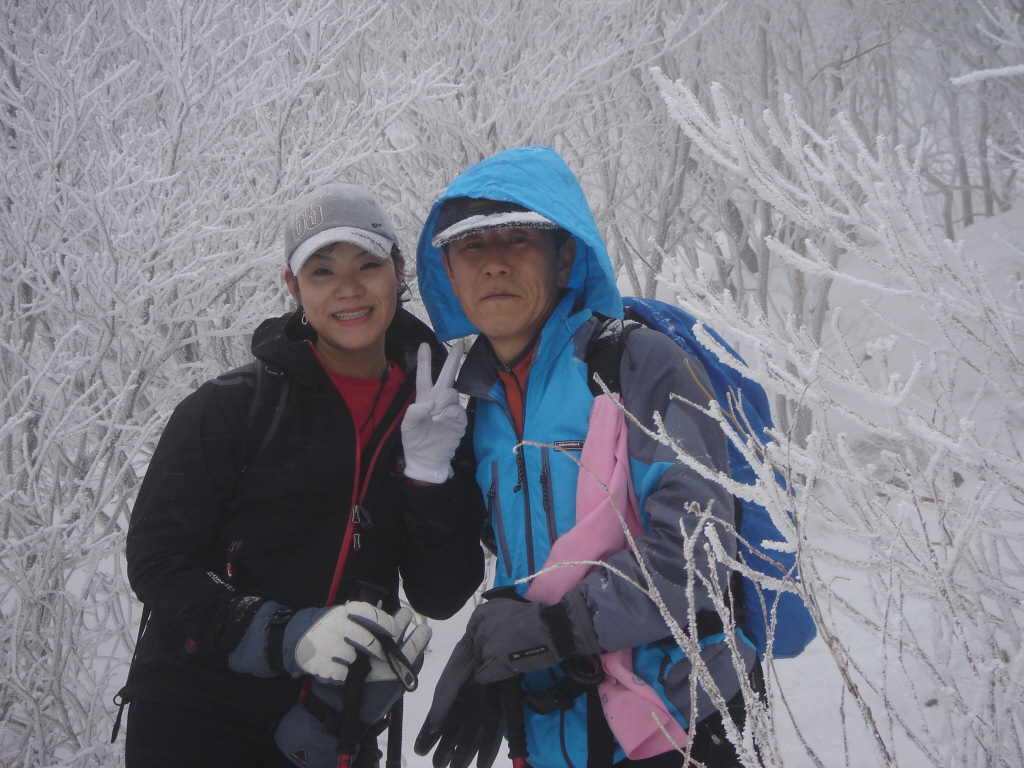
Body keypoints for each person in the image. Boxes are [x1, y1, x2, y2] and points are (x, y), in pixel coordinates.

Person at [412, 147, 761, 768]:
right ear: (448, 269)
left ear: (564, 253)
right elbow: (484, 573)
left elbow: (699, 549)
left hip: (681, 719)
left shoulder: (634, 364)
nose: (493, 264)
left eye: (518, 239)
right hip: (554, 730)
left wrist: (556, 629)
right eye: (471, 247)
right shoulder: (467, 404)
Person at [118, 182, 485, 768]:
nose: (348, 289)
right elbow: (157, 563)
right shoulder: (230, 408)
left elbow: (442, 594)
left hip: (334, 728)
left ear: (398, 271)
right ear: (293, 287)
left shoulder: (436, 409)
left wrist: (428, 474)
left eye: (368, 264)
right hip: (197, 718)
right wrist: (284, 635)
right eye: (321, 272)